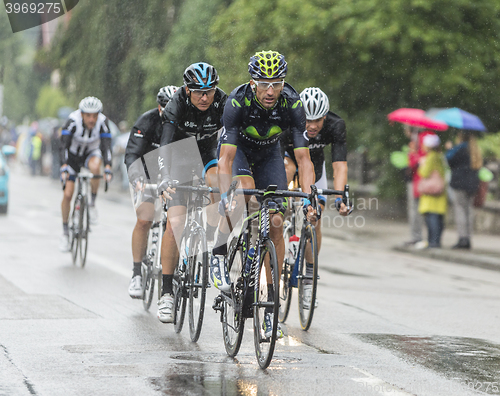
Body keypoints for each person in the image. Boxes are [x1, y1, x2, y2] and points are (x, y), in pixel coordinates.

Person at [213, 50, 317, 338]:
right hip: (240, 153)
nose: (271, 91)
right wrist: (225, 195)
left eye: (277, 83)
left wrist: (310, 197)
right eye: (264, 84)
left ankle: (271, 307)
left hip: (270, 153)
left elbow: (304, 160)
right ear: (252, 82)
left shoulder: (292, 103)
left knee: (275, 221)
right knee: (243, 195)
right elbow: (224, 160)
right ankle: (219, 251)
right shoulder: (237, 101)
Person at [156, 63, 227, 323]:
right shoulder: (176, 104)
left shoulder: (222, 102)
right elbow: (164, 145)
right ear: (187, 90)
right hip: (179, 158)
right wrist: (164, 177)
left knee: (220, 185)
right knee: (175, 222)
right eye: (199, 92)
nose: (205, 97)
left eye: (209, 91)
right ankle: (166, 293)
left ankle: (208, 240)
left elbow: (234, 140)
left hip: (207, 155)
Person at [281, 87, 351, 308]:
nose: (311, 126)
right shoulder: (288, 120)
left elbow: (339, 166)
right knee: (287, 170)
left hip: (316, 169)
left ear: (325, 116)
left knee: (315, 218)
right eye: (307, 120)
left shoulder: (335, 125)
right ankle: (282, 222)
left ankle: (309, 279)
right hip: (288, 162)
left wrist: (340, 198)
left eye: (317, 121)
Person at [125, 86, 178, 299]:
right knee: (145, 218)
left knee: (176, 224)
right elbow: (132, 154)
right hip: (146, 176)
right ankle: (137, 272)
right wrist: (137, 178)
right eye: (168, 109)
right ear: (159, 107)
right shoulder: (146, 121)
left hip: (171, 176)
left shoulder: (182, 122)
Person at [59, 97, 113, 252]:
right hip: (73, 157)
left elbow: (106, 147)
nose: (92, 119)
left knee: (96, 167)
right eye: (88, 115)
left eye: (95, 115)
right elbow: (63, 146)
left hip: (91, 153)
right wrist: (63, 165)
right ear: (81, 113)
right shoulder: (72, 121)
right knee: (68, 194)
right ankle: (64, 232)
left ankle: (92, 203)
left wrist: (108, 167)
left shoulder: (103, 123)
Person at [445, 132, 483, 249]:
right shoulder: (475, 150)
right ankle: (468, 238)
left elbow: (449, 161)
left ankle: (462, 238)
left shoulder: (459, 149)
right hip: (472, 185)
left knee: (460, 210)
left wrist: (449, 148)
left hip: (459, 184)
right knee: (468, 211)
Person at [418, 133, 447, 248]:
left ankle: (432, 242)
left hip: (431, 193)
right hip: (440, 191)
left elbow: (424, 173)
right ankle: (437, 241)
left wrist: (421, 163)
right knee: (438, 218)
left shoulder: (431, 157)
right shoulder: (440, 156)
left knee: (431, 218)